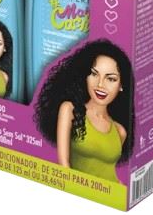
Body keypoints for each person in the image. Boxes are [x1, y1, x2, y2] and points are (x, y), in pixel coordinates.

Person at [34, 39, 134, 183]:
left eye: (111, 79)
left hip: (112, 192)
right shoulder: (69, 110)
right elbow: (64, 164)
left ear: (121, 85)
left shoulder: (120, 131)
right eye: (94, 74)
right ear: (85, 75)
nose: (100, 84)